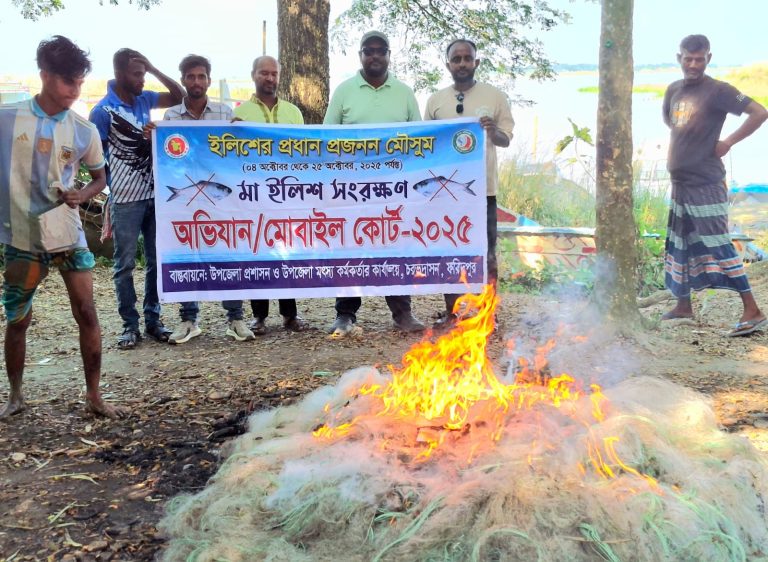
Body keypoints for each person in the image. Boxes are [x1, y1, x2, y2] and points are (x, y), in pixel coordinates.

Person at [0, 36, 127, 419]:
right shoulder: (7, 119)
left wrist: (82, 193)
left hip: (69, 235)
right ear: (44, 75)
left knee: (87, 311)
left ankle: (94, 396)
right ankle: (16, 396)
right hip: (22, 237)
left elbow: (100, 178)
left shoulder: (83, 130)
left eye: (79, 82)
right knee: (18, 319)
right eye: (67, 81)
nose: (74, 90)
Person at [661, 34, 767, 336]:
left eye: (699, 58)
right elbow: (672, 125)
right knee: (680, 243)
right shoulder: (673, 90)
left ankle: (753, 310)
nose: (693, 64)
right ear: (679, 57)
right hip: (680, 182)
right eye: (688, 58)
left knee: (719, 244)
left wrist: (728, 141)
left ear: (708, 58)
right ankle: (683, 305)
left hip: (706, 182)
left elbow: (760, 112)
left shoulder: (718, 90)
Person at [323, 31, 425, 337]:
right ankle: (345, 314)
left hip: (395, 189)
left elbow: (420, 141)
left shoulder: (405, 93)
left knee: (395, 246)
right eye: (369, 51)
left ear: (389, 55)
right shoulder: (344, 92)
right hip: (352, 190)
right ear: (360, 55)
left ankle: (402, 313)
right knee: (351, 247)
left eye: (381, 51)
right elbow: (327, 138)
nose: (375, 56)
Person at [89, 49, 184, 349]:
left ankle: (153, 320)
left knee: (156, 261)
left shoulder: (144, 99)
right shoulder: (102, 112)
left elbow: (178, 96)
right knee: (125, 264)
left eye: (143, 74)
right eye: (136, 74)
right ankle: (130, 325)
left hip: (154, 197)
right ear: (119, 74)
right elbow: (94, 158)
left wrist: (153, 67)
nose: (141, 79)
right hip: (126, 200)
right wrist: (111, 189)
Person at [159, 55, 256, 344]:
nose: (197, 82)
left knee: (227, 251)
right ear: (184, 80)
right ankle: (189, 320)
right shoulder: (171, 118)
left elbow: (233, 155)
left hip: (218, 200)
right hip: (185, 200)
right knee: (186, 251)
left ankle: (235, 319)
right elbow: (168, 157)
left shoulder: (225, 113)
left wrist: (240, 131)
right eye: (191, 77)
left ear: (209, 81)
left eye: (202, 77)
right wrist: (156, 135)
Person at [425, 39, 514, 330]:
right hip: (445, 194)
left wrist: (492, 130)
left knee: (486, 252)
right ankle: (454, 312)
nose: (462, 63)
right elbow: (427, 142)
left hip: (482, 192)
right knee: (448, 250)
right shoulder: (435, 101)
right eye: (456, 59)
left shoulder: (496, 97)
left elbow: (506, 140)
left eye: (467, 58)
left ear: (476, 62)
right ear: (448, 64)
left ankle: (488, 312)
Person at [232, 55, 309, 335]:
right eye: (264, 73)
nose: (270, 78)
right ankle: (259, 316)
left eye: (274, 73)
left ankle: (290, 315)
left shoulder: (293, 113)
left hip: (288, 193)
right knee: (258, 253)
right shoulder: (240, 114)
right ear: (253, 75)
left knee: (286, 253)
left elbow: (304, 152)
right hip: (254, 195)